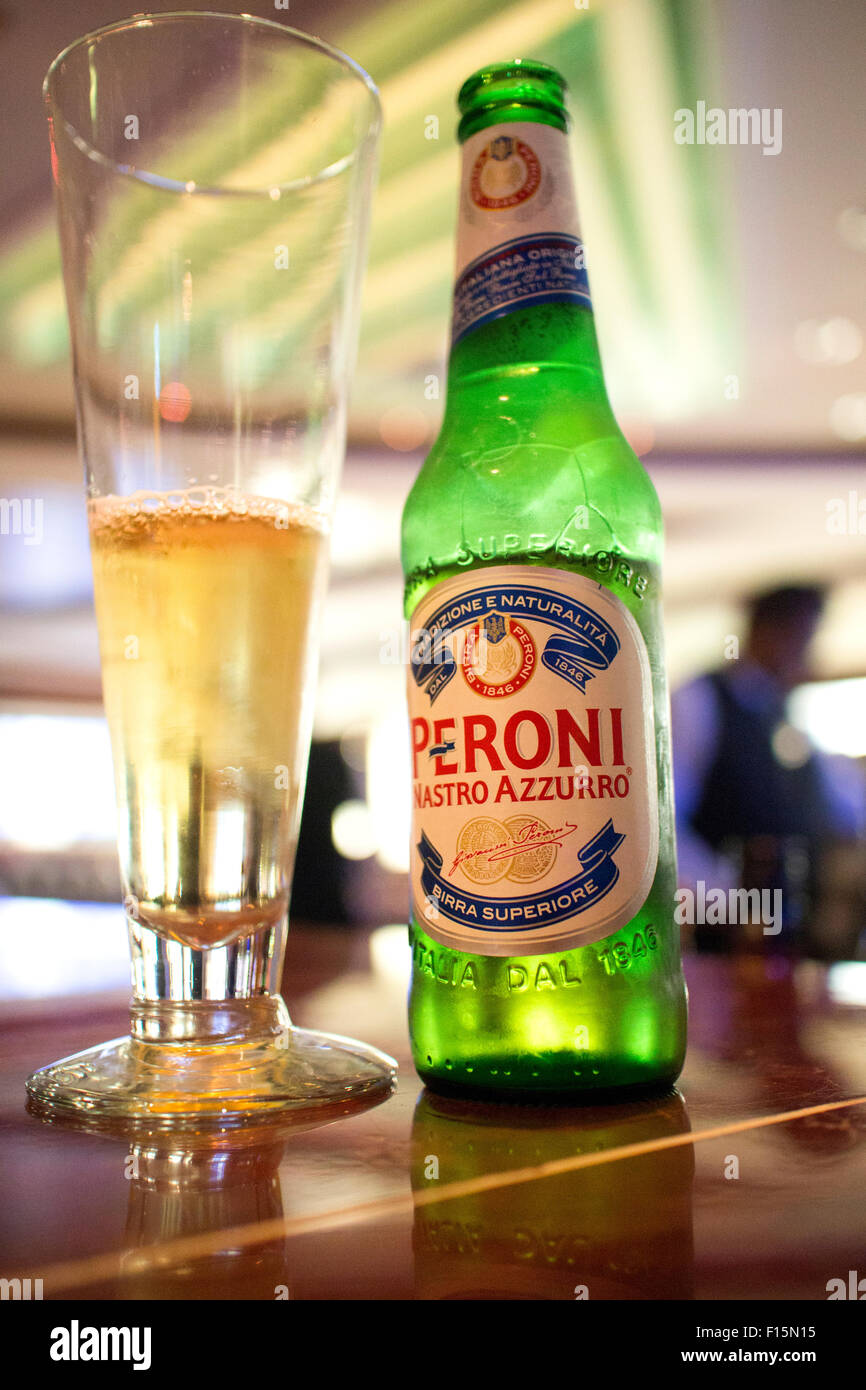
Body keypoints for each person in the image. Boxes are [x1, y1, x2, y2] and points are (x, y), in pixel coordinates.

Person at [671, 585, 866, 953]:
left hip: (794, 932)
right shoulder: (699, 698)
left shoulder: (783, 713)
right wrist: (728, 904)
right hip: (728, 939)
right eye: (802, 638)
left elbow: (838, 806)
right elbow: (666, 823)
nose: (808, 653)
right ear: (765, 630)